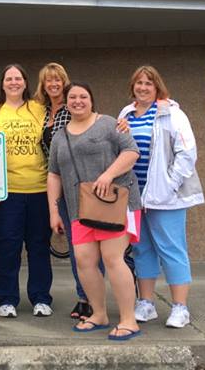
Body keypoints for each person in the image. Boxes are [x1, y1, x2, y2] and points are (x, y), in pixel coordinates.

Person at [48, 82, 142, 340]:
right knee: (85, 262)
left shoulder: (109, 123)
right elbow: (54, 174)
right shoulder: (60, 136)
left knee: (113, 259)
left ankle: (129, 320)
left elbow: (132, 152)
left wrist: (108, 175)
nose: (78, 101)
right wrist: (54, 211)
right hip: (80, 209)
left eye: (83, 96)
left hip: (115, 203)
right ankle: (99, 314)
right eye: (72, 97)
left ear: (91, 100)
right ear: (66, 102)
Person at [116, 65, 203, 329]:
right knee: (142, 250)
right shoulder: (126, 113)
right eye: (138, 83)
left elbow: (187, 154)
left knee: (171, 249)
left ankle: (180, 308)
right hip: (135, 196)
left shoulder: (173, 114)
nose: (142, 88)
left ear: (157, 87)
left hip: (167, 199)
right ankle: (147, 303)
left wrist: (170, 185)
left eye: (148, 84)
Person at [0, 64, 52, 318]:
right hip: (6, 192)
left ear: (25, 82)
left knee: (39, 246)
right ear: (2, 83)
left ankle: (41, 298)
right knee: (8, 247)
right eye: (8, 78)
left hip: (39, 188)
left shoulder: (39, 108)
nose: (13, 83)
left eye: (18, 78)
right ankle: (7, 299)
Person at [35, 61, 89, 321]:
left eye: (58, 80)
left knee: (87, 248)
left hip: (80, 186)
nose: (53, 84)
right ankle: (83, 296)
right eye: (49, 80)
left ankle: (90, 298)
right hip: (56, 184)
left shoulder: (74, 106)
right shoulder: (43, 112)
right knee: (75, 246)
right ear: (43, 85)